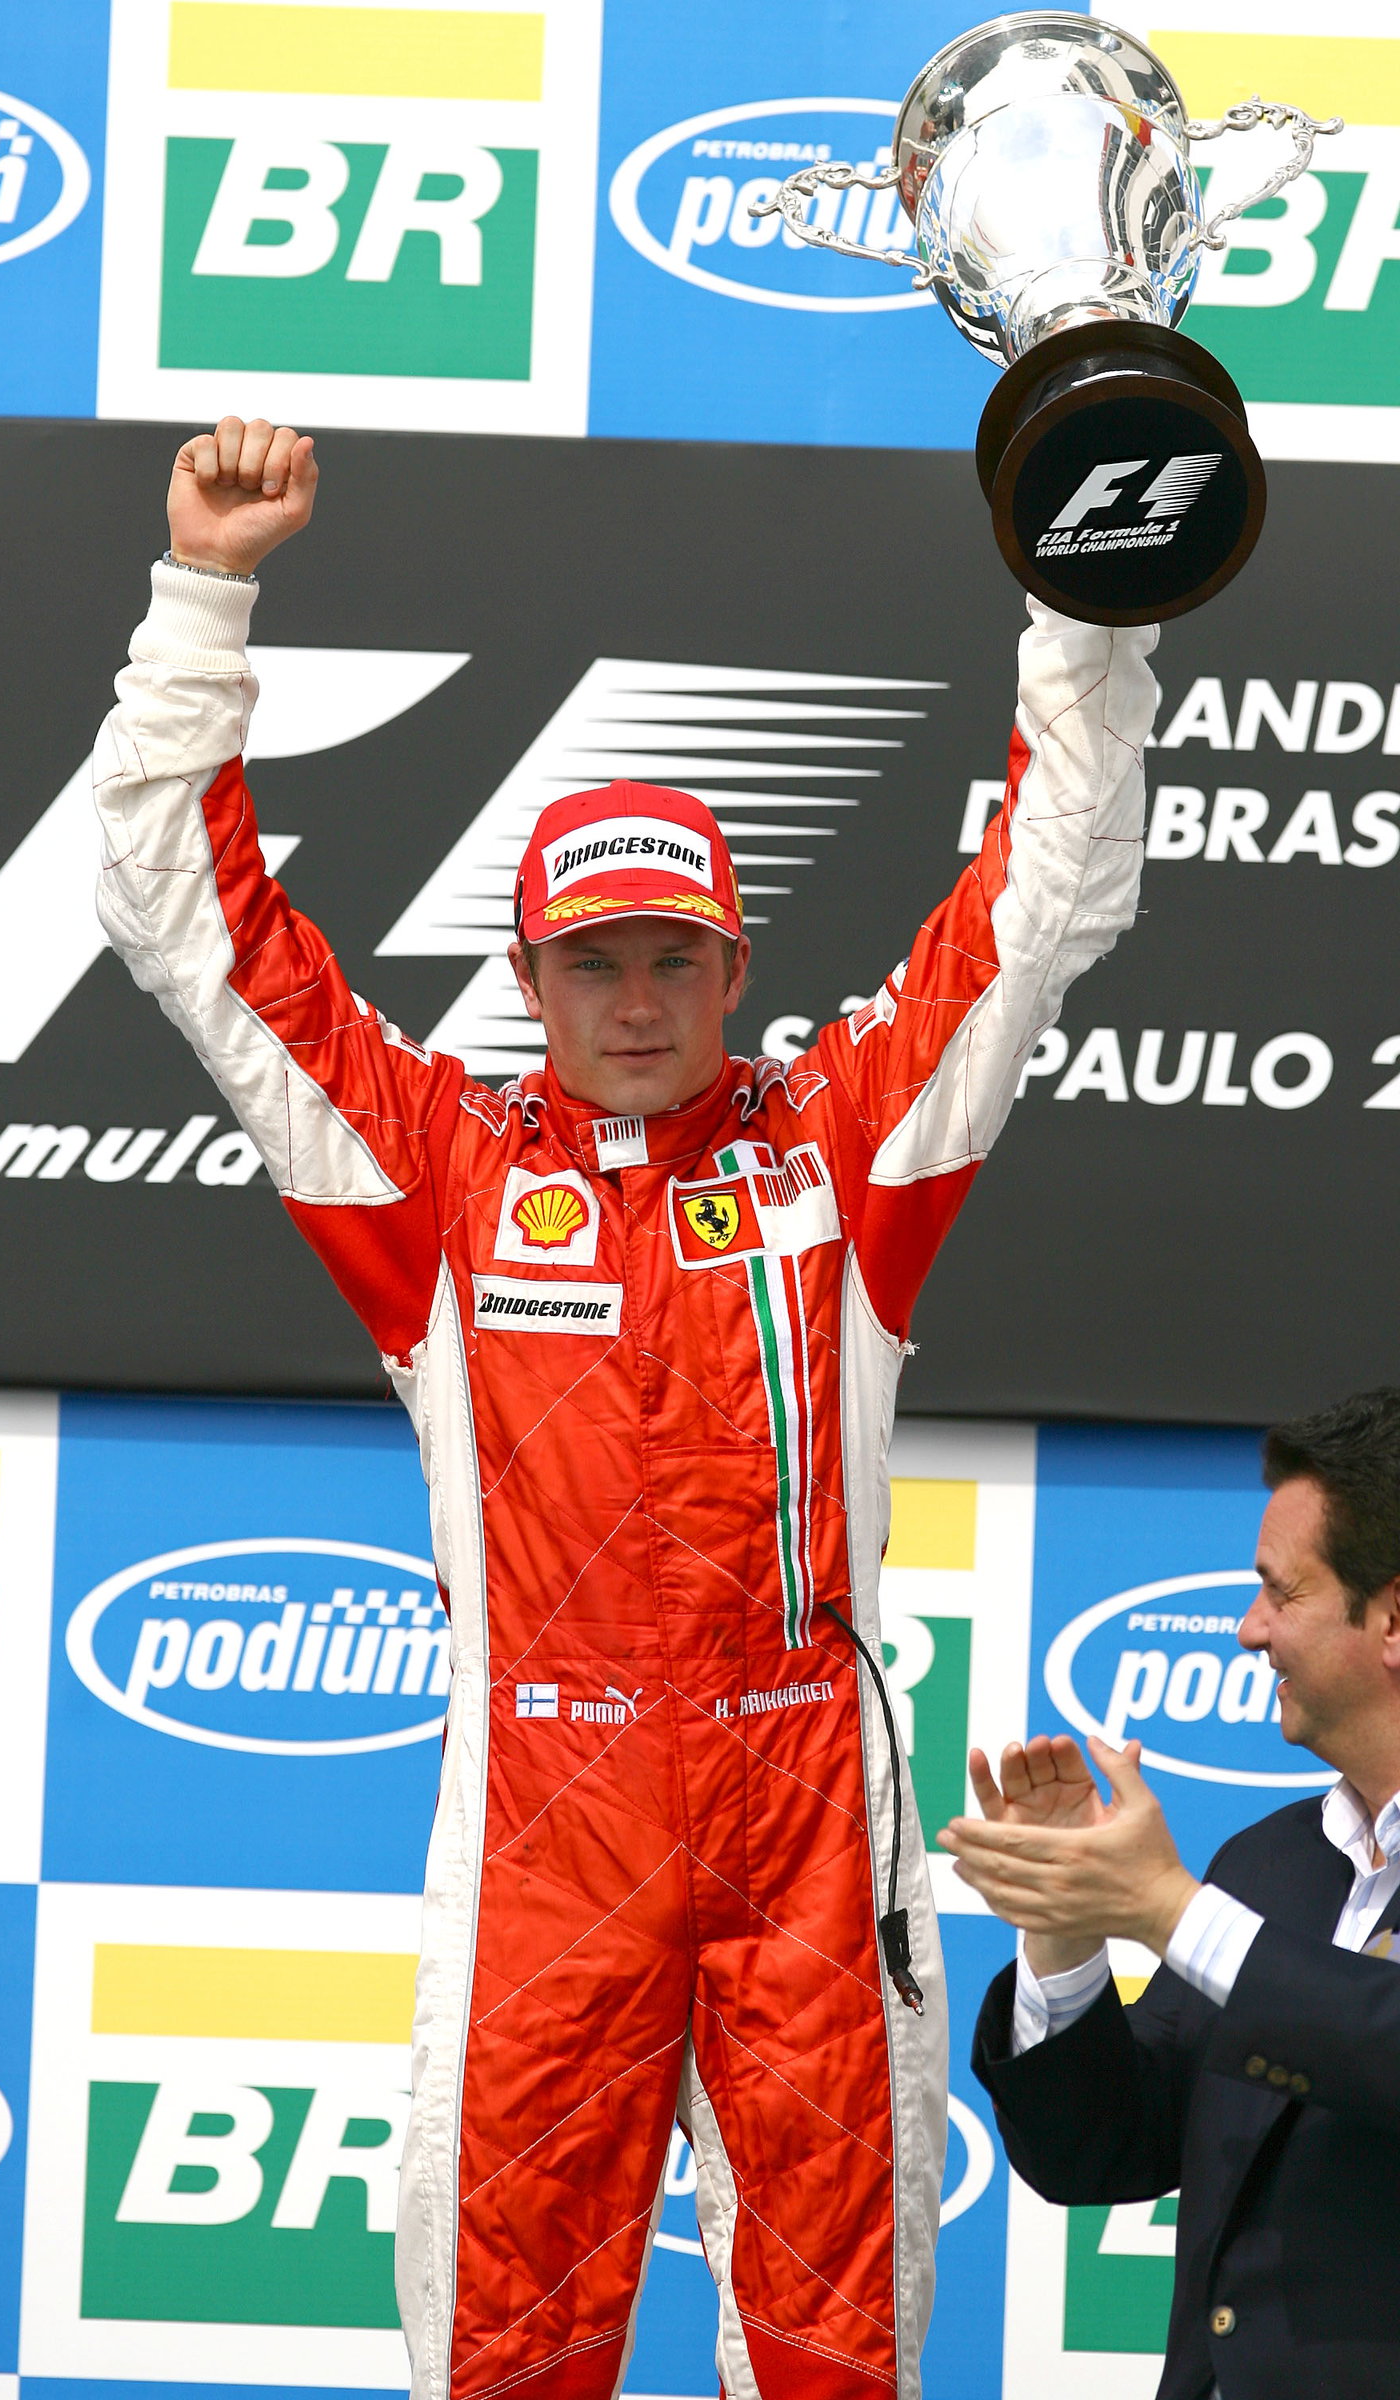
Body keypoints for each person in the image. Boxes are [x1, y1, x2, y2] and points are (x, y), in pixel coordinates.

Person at [92, 414, 1158, 2400]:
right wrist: (203, 593)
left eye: (676, 956)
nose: (638, 1000)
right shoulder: (433, 1172)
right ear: (532, 972)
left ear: (735, 962)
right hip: (545, 1839)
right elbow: (184, 927)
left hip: (806, 1832)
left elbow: (1044, 902)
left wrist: (1074, 606)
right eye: (596, 961)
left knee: (837, 2360)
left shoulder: (842, 1144)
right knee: (505, 2358)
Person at [944, 1387, 1400, 2400]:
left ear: (1393, 1618)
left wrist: (1167, 1910)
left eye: (1280, 1595)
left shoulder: (1213, 1902)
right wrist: (1066, 1933)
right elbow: (1100, 2151)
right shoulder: (1265, 1866)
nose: (1246, 1631)